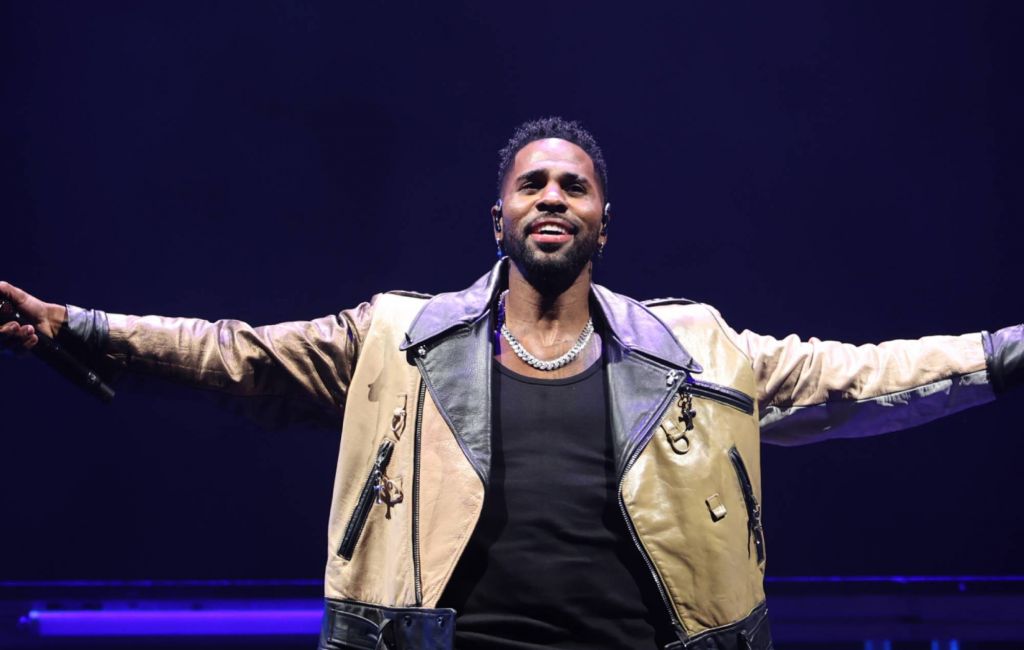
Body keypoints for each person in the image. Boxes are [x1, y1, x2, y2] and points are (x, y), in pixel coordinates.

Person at [1, 117, 1021, 650]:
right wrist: (83, 327)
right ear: (497, 215)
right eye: (530, 183)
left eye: (571, 185)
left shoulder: (695, 347)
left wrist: (1002, 351)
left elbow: (859, 375)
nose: (550, 196)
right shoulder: (399, 336)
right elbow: (240, 354)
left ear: (600, 221)